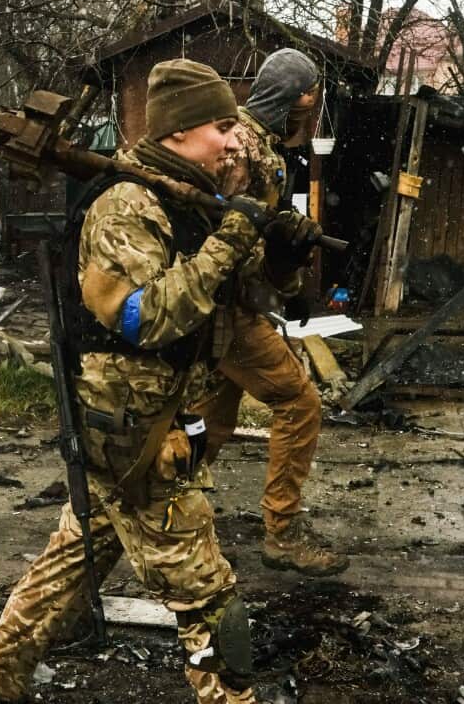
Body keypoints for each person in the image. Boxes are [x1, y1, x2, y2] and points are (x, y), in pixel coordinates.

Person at [0, 59, 269, 704]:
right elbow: (143, 318)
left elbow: (244, 291)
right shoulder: (126, 205)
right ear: (178, 133)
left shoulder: (191, 200)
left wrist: (267, 241)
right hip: (131, 430)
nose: (233, 138)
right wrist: (225, 247)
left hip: (153, 416)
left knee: (80, 551)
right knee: (205, 593)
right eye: (220, 126)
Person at [190, 48, 350, 577]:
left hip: (225, 304)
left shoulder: (247, 141)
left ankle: (170, 516)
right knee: (300, 403)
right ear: (291, 101)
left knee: (212, 421)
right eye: (306, 101)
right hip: (230, 308)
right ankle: (282, 533)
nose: (308, 113)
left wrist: (287, 259)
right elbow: (220, 231)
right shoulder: (247, 150)